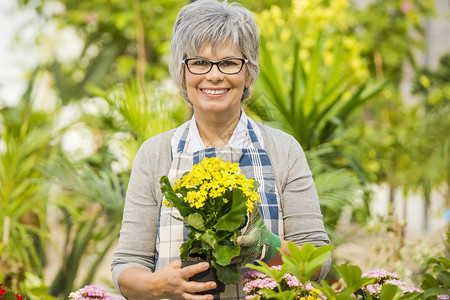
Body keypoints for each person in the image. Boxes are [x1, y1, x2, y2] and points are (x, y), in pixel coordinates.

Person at [111, 0, 331, 299]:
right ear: (182, 72)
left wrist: (265, 246)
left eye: (229, 63)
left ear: (249, 73)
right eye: (199, 62)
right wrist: (158, 285)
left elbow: (319, 257)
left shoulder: (283, 150)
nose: (214, 75)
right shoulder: (156, 154)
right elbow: (127, 265)